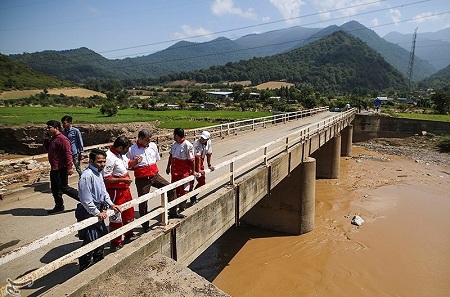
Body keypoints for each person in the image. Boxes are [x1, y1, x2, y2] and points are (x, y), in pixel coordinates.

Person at [76, 148, 121, 272]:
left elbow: (103, 191)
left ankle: (97, 261)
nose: (102, 164)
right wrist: (97, 212)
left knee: (101, 235)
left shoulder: (99, 173)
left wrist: (111, 204)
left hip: (99, 208)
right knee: (91, 238)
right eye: (99, 162)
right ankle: (84, 266)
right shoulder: (87, 176)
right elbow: (85, 199)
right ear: (91, 161)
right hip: (89, 211)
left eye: (104, 162)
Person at [126, 129, 179, 231]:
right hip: (142, 179)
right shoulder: (132, 150)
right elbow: (127, 165)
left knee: (170, 188)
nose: (148, 142)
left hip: (155, 175)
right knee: (143, 201)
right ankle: (145, 225)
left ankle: (172, 212)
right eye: (147, 140)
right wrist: (136, 163)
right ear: (140, 139)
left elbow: (156, 159)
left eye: (150, 140)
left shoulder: (153, 146)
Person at [103, 136, 135, 252]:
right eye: (127, 149)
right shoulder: (109, 158)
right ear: (120, 147)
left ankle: (128, 234)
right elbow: (106, 178)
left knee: (129, 213)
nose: (128, 151)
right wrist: (122, 180)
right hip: (116, 191)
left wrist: (136, 161)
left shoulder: (121, 155)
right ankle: (116, 242)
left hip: (125, 190)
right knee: (116, 216)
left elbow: (127, 164)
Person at [43, 120, 79, 214]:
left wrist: (69, 167)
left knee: (64, 187)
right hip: (54, 167)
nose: (48, 129)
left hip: (61, 167)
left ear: (56, 128)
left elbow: (68, 153)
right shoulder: (53, 138)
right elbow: (48, 149)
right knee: (55, 188)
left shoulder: (62, 139)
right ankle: (59, 205)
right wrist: (46, 139)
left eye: (49, 127)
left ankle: (85, 200)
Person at [166, 128, 199, 214]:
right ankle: (173, 208)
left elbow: (192, 160)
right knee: (174, 190)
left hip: (184, 173)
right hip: (175, 172)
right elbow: (171, 156)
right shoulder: (174, 144)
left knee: (184, 190)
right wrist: (168, 167)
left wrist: (194, 171)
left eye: (174, 135)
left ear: (176, 135)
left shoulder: (187, 145)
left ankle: (182, 207)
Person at [190, 130, 214, 205]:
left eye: (204, 139)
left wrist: (209, 165)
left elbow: (209, 154)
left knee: (202, 182)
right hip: (192, 162)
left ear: (207, 139)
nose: (202, 140)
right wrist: (198, 169)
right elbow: (197, 157)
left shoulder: (209, 142)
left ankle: (193, 196)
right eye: (201, 138)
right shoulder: (196, 143)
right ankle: (190, 198)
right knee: (191, 182)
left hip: (201, 162)